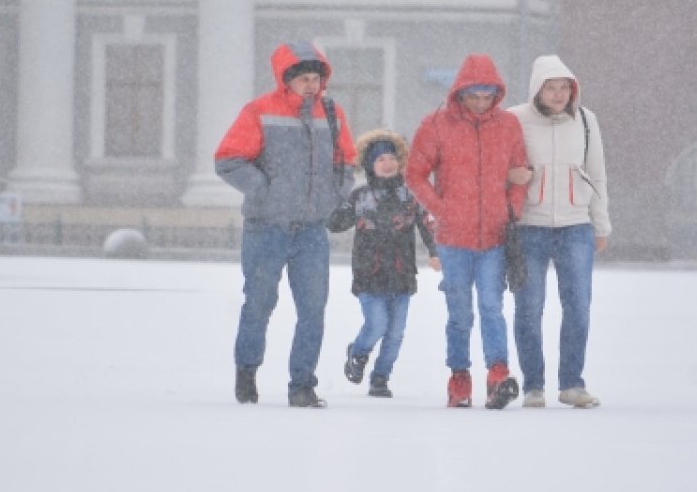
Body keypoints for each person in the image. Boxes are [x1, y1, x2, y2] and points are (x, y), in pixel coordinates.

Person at [215, 41, 356, 408]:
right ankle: (246, 373)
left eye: (316, 78)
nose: (311, 85)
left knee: (313, 309)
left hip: (312, 230)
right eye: (303, 78)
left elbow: (346, 160)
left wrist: (337, 195)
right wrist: (263, 189)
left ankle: (302, 385)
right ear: (286, 79)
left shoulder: (332, 112)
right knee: (259, 304)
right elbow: (228, 160)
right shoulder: (260, 111)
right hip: (267, 227)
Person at [406, 53, 529, 409]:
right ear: (460, 92)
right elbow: (415, 174)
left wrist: (512, 210)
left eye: (486, 95)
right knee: (459, 313)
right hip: (452, 239)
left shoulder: (508, 127)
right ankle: (459, 377)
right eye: (473, 95)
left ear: (496, 94)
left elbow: (520, 172)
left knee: (492, 306)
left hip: (494, 236)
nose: (479, 102)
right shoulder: (436, 125)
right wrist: (441, 209)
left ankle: (498, 373)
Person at [507, 54, 611, 408]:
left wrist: (601, 223)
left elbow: (596, 173)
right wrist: (510, 178)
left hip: (576, 226)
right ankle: (533, 385)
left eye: (564, 87)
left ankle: (572, 384)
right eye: (551, 88)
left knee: (578, 307)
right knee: (529, 308)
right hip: (528, 227)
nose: (558, 94)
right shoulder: (513, 119)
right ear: (537, 89)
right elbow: (497, 165)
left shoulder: (585, 120)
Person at [327, 129, 440, 399]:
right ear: (370, 165)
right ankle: (358, 352)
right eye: (380, 160)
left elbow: (427, 224)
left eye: (392, 158)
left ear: (400, 162)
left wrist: (435, 251)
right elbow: (335, 224)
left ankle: (381, 376)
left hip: (401, 273)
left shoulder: (410, 195)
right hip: (370, 272)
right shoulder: (360, 196)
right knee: (376, 324)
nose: (387, 164)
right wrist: (337, 205)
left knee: (395, 332)